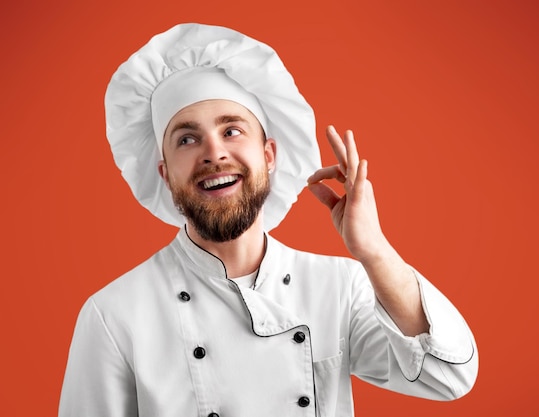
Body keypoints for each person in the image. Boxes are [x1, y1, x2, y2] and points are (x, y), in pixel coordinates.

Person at [59, 23, 478, 417]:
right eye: (187, 139)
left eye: (232, 130)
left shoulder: (337, 288)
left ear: (269, 156)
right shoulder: (115, 315)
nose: (213, 153)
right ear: (166, 174)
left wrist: (374, 250)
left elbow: (448, 376)